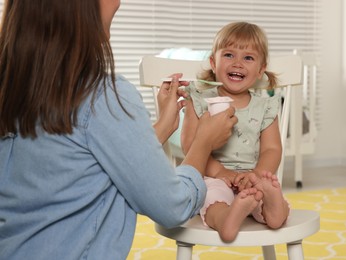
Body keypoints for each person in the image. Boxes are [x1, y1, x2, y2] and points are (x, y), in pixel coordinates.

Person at [0, 1, 238, 259]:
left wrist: (159, 130)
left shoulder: (11, 88)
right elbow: (173, 205)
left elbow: (75, 168)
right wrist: (203, 143)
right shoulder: (101, 97)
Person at [181, 21, 290, 242]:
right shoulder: (201, 99)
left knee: (260, 193)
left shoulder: (265, 106)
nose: (238, 63)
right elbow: (190, 145)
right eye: (229, 55)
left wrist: (257, 175)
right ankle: (227, 220)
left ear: (261, 69)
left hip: (251, 177)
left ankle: (273, 211)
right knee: (213, 200)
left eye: (248, 58)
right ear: (213, 62)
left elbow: (272, 149)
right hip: (212, 177)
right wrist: (221, 173)